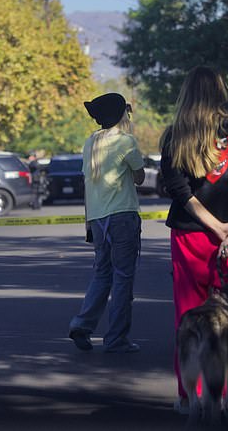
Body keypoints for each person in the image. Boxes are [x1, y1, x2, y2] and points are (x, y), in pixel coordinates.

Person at [160, 66, 228, 414]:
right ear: (221, 90)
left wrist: (213, 226)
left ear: (187, 93)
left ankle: (190, 396)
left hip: (190, 237)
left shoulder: (176, 135)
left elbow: (178, 191)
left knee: (189, 318)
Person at [68, 93, 145, 353]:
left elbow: (88, 186)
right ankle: (116, 338)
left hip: (98, 219)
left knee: (102, 274)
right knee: (123, 278)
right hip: (123, 216)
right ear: (121, 114)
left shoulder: (90, 143)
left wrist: (88, 224)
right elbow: (140, 178)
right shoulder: (126, 141)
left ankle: (82, 324)